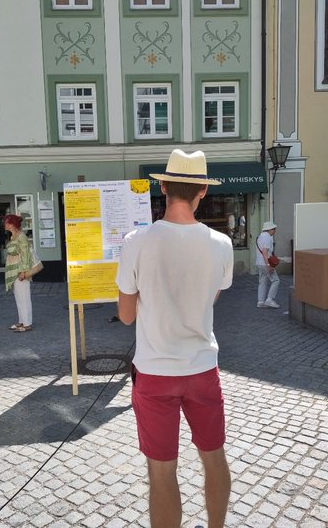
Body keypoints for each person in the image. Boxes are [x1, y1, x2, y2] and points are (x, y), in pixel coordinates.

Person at [116, 149, 234, 528]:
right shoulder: (221, 244)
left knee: (161, 470)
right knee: (214, 457)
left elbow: (126, 315)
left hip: (154, 372)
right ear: (203, 191)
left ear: (163, 187)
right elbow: (211, 297)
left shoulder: (136, 240)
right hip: (202, 369)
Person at [4, 214, 33, 332]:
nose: (5, 225)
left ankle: (27, 324)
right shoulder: (13, 236)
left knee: (24, 298)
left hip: (20, 272)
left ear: (12, 224)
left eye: (7, 222)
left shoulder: (21, 237)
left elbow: (25, 255)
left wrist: (23, 271)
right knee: (19, 298)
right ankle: (22, 321)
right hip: (14, 272)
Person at [255, 221, 280, 309]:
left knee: (263, 281)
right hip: (265, 263)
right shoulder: (267, 238)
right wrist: (268, 265)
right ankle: (269, 299)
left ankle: (260, 301)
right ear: (269, 229)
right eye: (274, 229)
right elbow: (265, 252)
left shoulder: (260, 237)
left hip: (259, 262)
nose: (275, 231)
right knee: (276, 280)